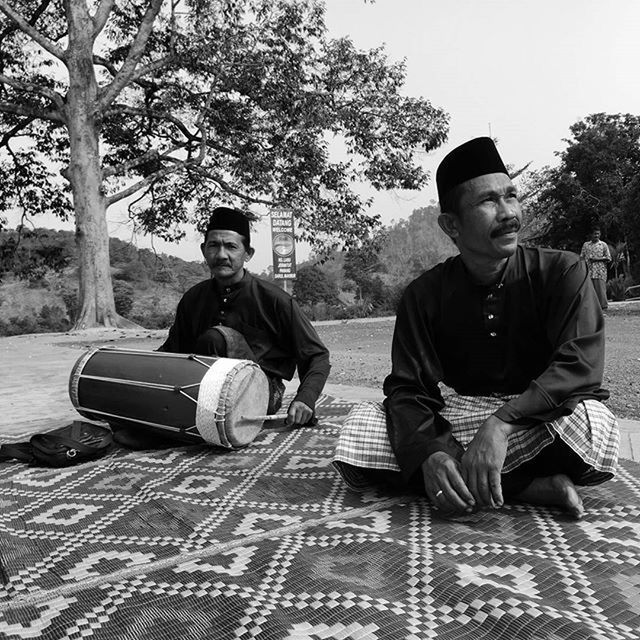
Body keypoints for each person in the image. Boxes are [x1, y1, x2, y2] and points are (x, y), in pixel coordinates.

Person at [333, 137, 618, 519]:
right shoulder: (424, 294)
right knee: (361, 428)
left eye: (511, 196)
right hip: (464, 413)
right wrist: (432, 452)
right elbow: (410, 388)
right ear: (451, 225)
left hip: (537, 415)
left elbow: (579, 366)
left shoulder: (563, 271)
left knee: (593, 424)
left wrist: (502, 424)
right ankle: (527, 486)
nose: (508, 213)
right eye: (488, 201)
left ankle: (473, 479)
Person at [115, 207, 330, 449]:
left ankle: (170, 430)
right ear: (203, 250)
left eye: (231, 246)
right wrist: (138, 377)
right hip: (198, 391)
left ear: (247, 253)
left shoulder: (275, 300)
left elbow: (317, 355)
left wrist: (306, 398)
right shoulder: (193, 298)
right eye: (213, 246)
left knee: (217, 338)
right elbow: (172, 351)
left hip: (261, 394)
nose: (221, 254)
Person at [580, 227, 611, 310]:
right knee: (589, 290)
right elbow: (581, 257)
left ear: (600, 234)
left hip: (600, 271)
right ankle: (590, 307)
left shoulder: (603, 245)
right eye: (595, 234)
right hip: (588, 271)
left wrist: (596, 259)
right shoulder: (586, 245)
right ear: (591, 234)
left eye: (598, 234)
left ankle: (603, 307)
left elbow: (608, 258)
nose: (596, 235)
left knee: (600, 289)